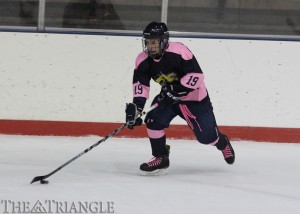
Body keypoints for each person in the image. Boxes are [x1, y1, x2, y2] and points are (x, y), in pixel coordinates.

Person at [125, 21, 235, 175]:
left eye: (154, 42)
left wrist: (176, 90)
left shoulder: (179, 51)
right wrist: (137, 108)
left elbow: (196, 76)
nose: (151, 46)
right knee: (152, 120)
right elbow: (141, 85)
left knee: (206, 138)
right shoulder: (142, 60)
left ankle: (222, 143)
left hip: (194, 98)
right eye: (148, 42)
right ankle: (160, 157)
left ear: (164, 41)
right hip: (169, 99)